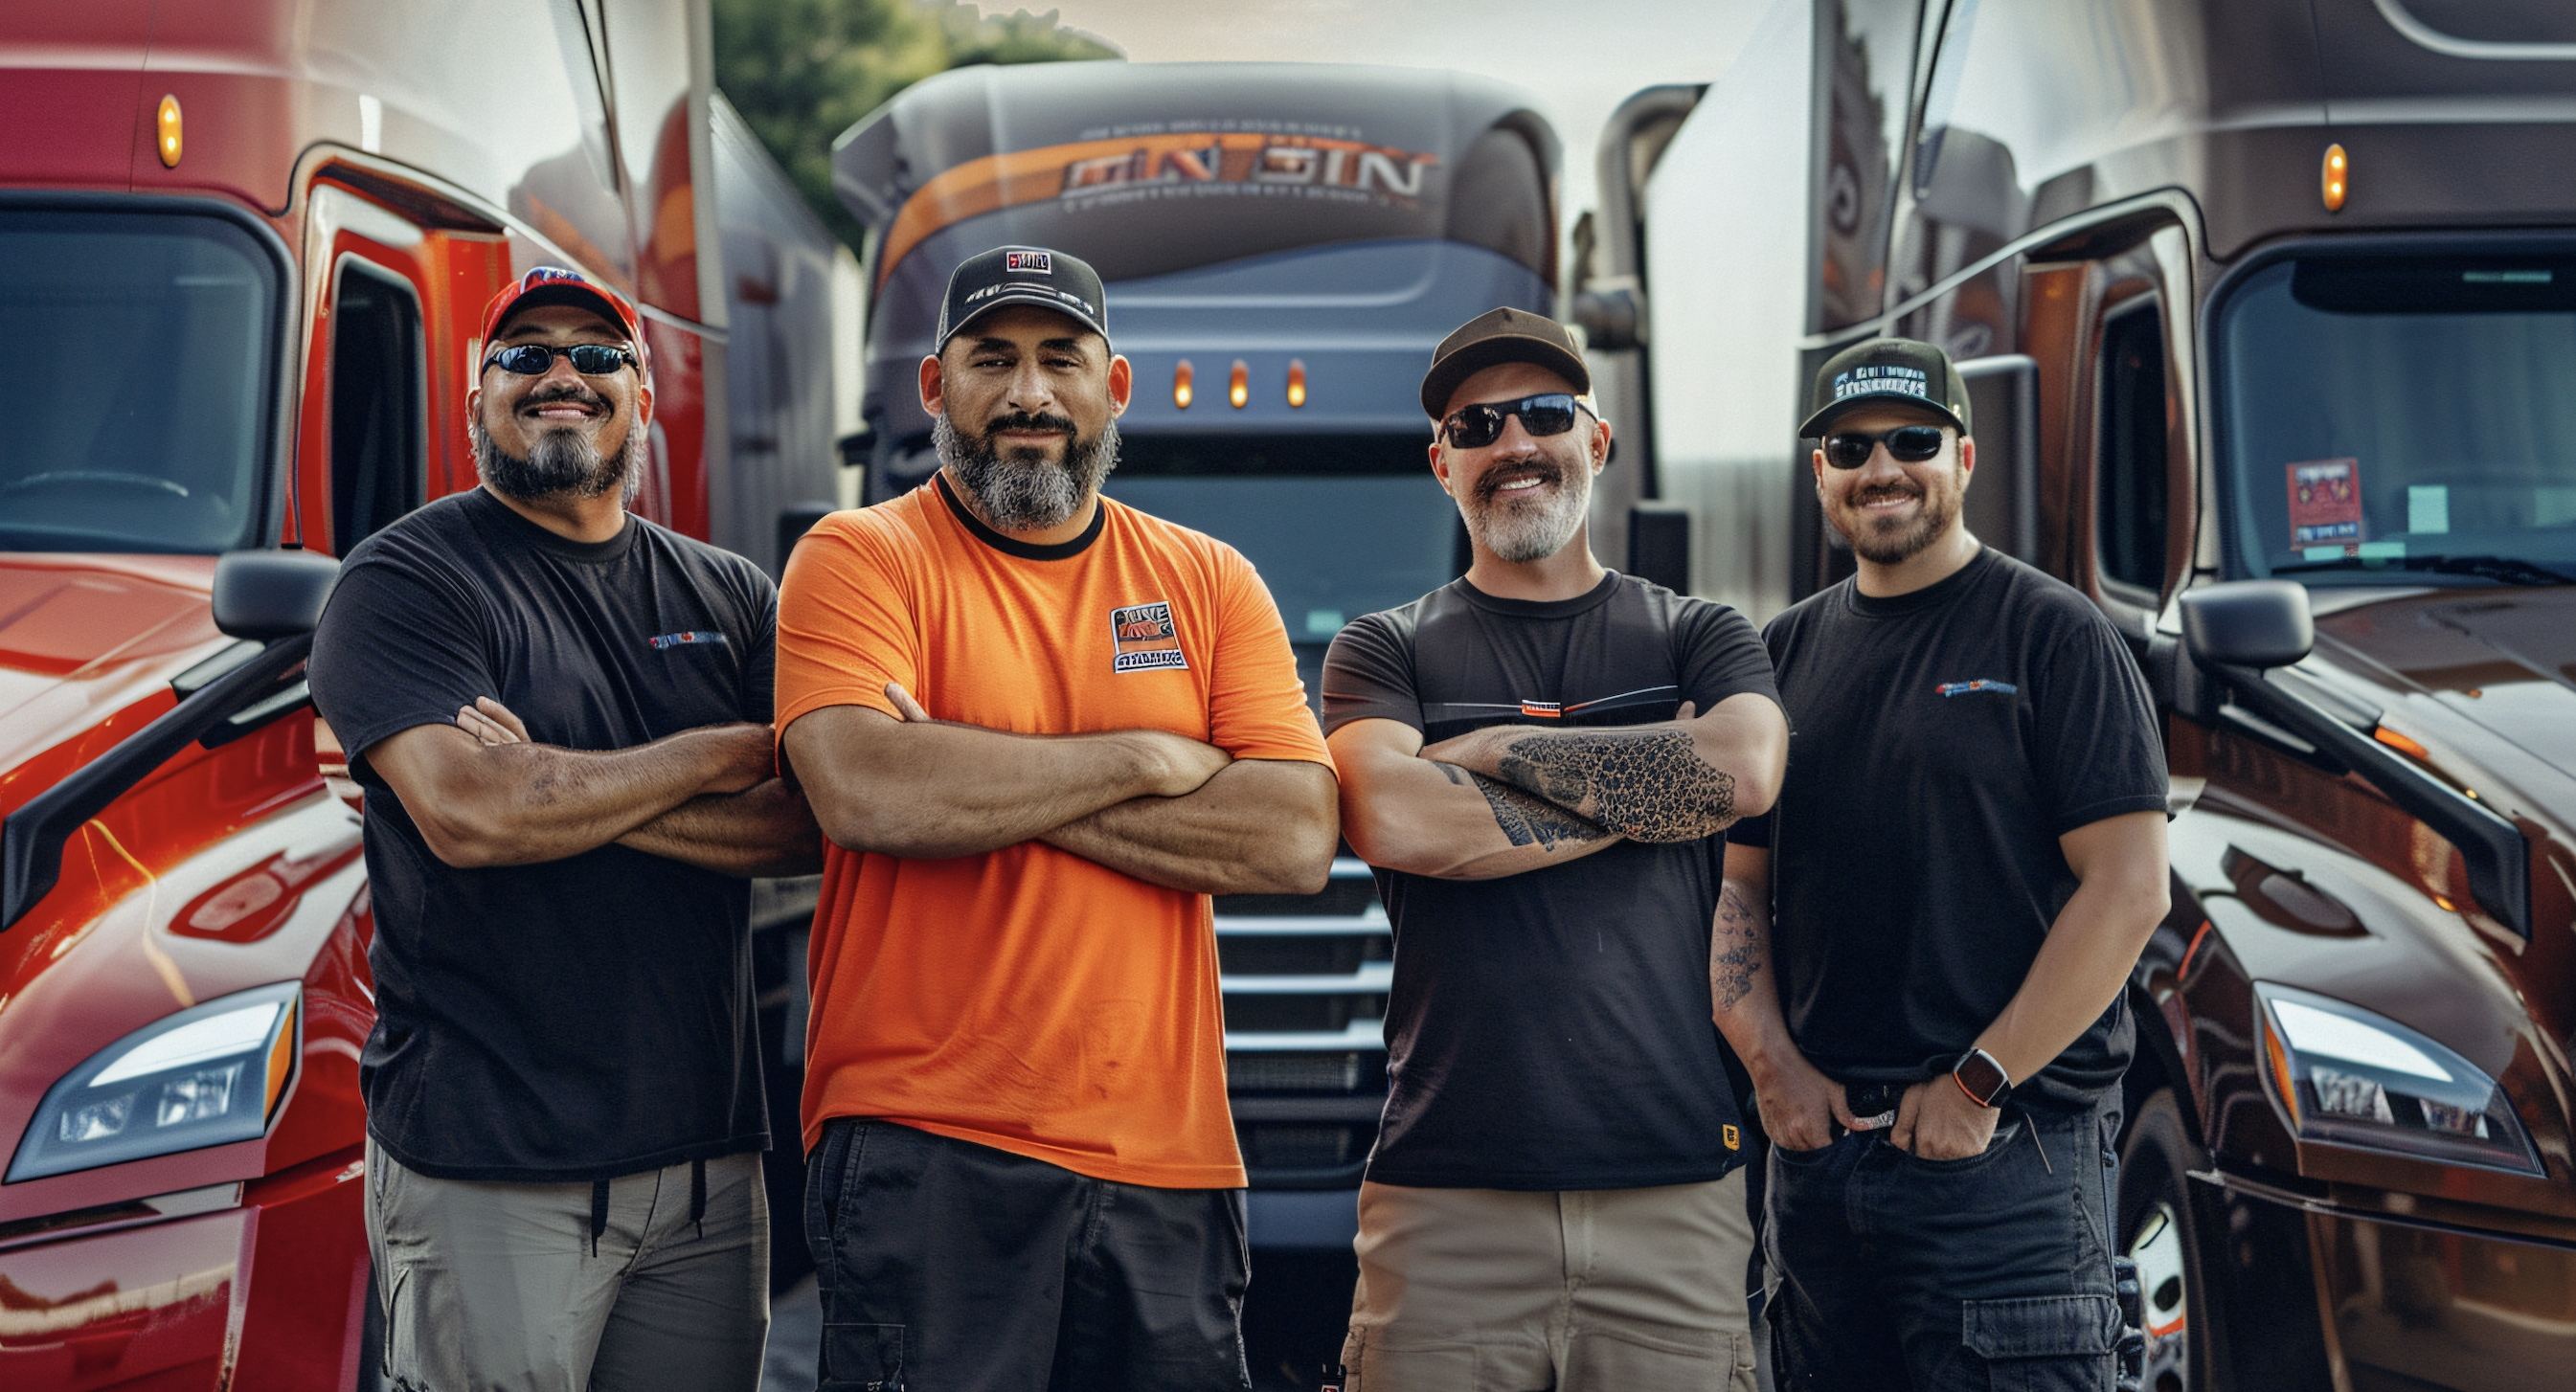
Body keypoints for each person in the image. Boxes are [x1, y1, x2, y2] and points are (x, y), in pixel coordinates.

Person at [774, 244, 1340, 1391]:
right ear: (934, 387)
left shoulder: (1208, 579)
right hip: (924, 1140)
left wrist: (965, 773)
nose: (1027, 394)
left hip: (1169, 1160)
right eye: (992, 359)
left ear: (1112, 386)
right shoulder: (858, 555)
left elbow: (1291, 837)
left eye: (1057, 359)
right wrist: (1145, 756)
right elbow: (863, 787)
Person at [307, 266, 822, 1392]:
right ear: (474, 395)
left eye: (596, 355)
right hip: (492, 1172)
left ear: (640, 393)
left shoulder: (731, 593)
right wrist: (728, 748)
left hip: (707, 1177)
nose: (560, 375)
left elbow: (814, 821)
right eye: (524, 352)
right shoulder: (403, 581)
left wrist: (560, 788)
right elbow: (470, 810)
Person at [1320, 306, 1788, 1390]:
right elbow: (1389, 815)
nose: (1513, 443)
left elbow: (1741, 772)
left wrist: (1482, 751)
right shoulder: (1381, 646)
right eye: (1477, 424)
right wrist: (1651, 779)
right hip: (1442, 1206)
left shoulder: (1698, 631)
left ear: (1597, 438)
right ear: (1442, 464)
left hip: (1672, 1197)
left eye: (1543, 413)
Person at [1716, 336, 2170, 1391]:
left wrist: (1977, 1078)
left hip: (2004, 1162)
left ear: (1964, 458)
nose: (1882, 467)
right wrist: (1768, 1061)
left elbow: (2127, 886)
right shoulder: (1778, 656)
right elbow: (1734, 887)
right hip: (1821, 1174)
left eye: (1912, 439)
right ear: (1818, 472)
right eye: (1849, 445)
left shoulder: (2053, 638)